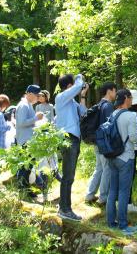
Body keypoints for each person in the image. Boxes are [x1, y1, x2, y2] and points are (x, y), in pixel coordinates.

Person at [106, 89, 137, 236]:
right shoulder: (131, 115)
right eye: (131, 97)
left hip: (112, 156)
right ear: (126, 98)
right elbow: (133, 138)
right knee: (124, 191)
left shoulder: (113, 113)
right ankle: (123, 225)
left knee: (112, 190)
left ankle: (111, 223)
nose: (132, 100)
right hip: (126, 157)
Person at [55, 74, 88, 221]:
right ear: (69, 86)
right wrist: (79, 78)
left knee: (70, 176)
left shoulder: (71, 103)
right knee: (68, 176)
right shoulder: (61, 98)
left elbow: (84, 112)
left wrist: (82, 96)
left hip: (74, 139)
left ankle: (64, 206)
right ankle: (65, 209)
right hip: (68, 139)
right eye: (73, 84)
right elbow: (77, 86)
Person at [85, 82, 117, 206]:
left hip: (96, 141)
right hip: (104, 142)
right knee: (107, 168)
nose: (115, 94)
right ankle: (103, 198)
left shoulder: (99, 104)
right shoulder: (108, 106)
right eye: (115, 91)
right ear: (109, 91)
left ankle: (89, 195)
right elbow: (110, 126)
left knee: (99, 168)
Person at [15, 85, 43, 196]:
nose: (38, 98)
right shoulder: (23, 105)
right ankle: (22, 190)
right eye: (37, 95)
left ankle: (25, 189)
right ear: (30, 94)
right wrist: (36, 118)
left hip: (29, 140)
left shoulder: (28, 105)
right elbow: (21, 123)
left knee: (28, 166)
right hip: (25, 141)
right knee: (25, 167)